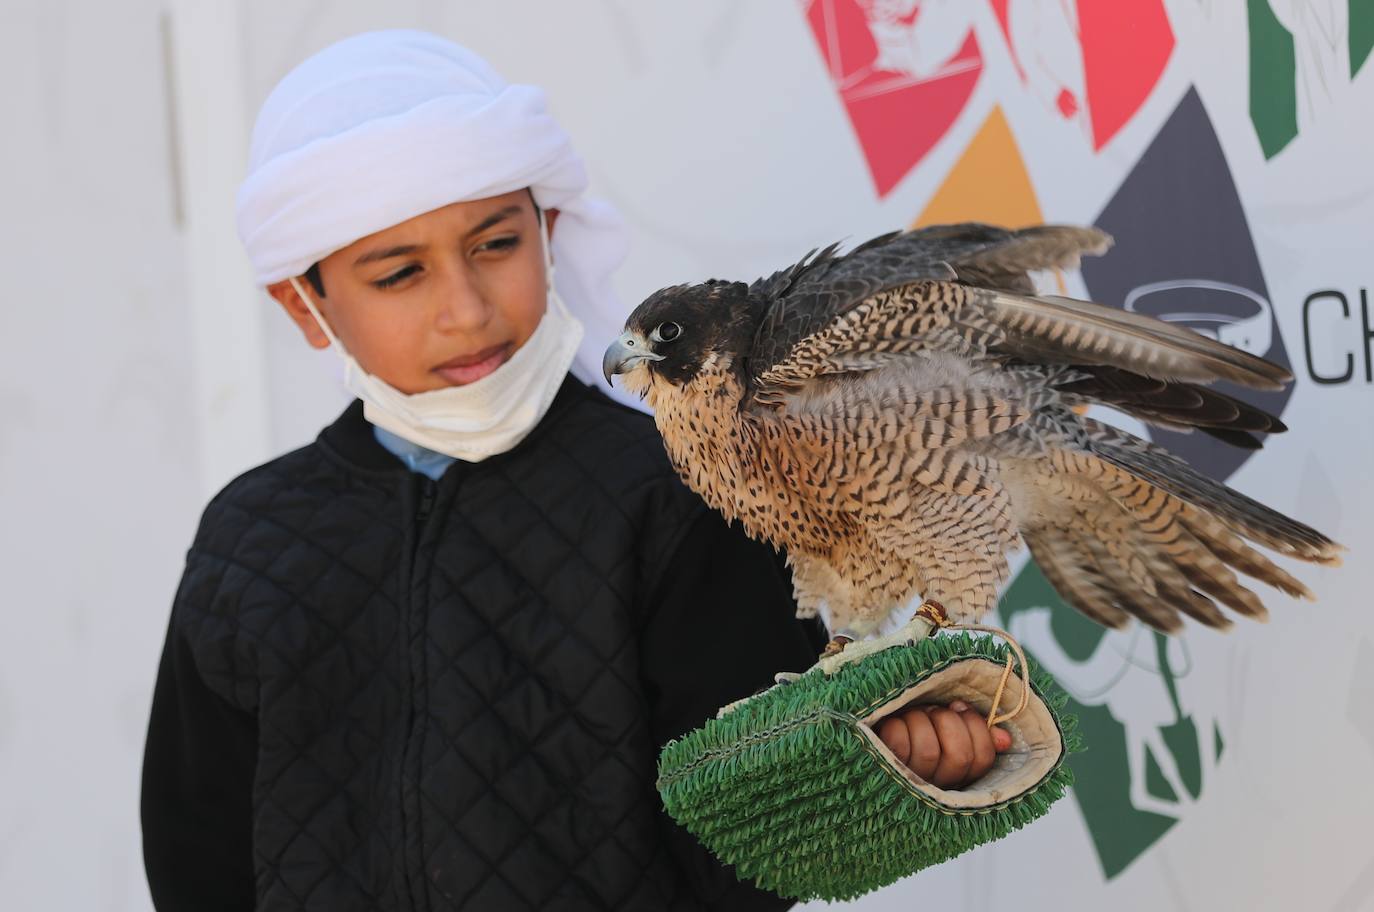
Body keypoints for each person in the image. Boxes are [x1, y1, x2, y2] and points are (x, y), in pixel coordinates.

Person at [138, 29, 1009, 912]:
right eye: (400, 274)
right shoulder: (251, 541)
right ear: (304, 301)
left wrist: (892, 761)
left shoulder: (682, 491)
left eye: (494, 246)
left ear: (548, 230)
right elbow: (195, 857)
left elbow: (750, 848)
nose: (467, 310)